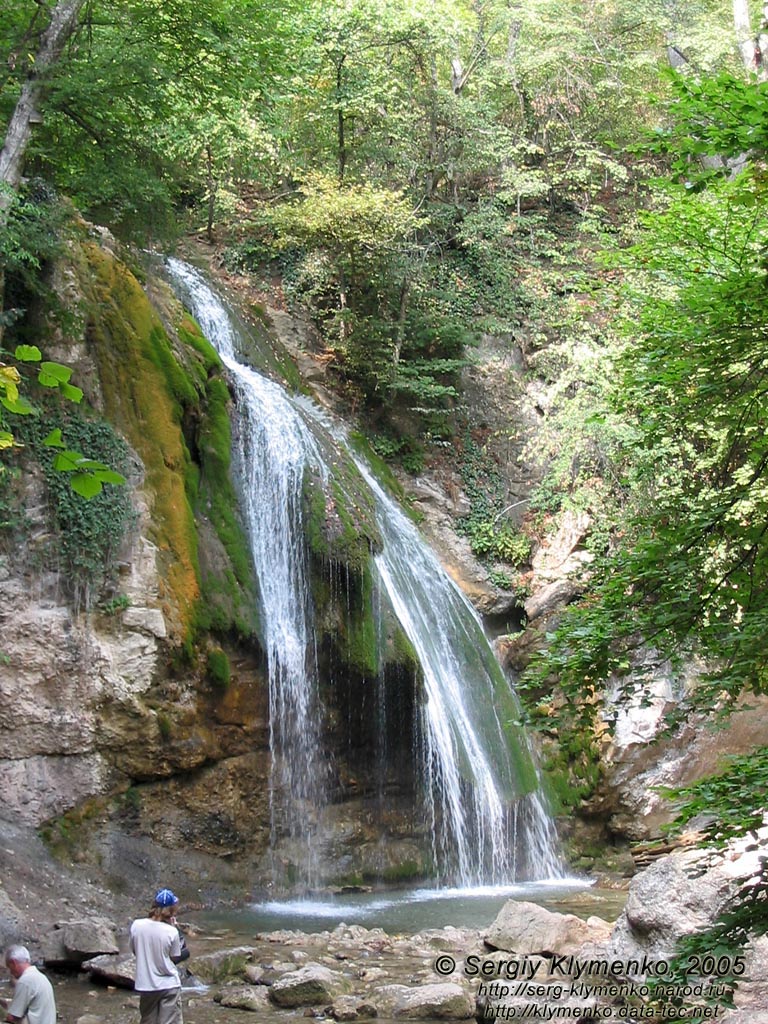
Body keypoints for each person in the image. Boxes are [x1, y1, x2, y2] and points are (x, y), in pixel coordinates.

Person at [129, 888, 186, 1024]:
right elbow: (174, 957)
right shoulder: (172, 932)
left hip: (146, 985)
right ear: (172, 911)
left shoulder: (136, 925)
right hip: (169, 985)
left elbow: (135, 950)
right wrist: (174, 927)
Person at [3, 946, 56, 1024]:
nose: (10, 972)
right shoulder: (40, 976)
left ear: (13, 963)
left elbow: (12, 1017)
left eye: (9, 967)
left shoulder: (25, 981)